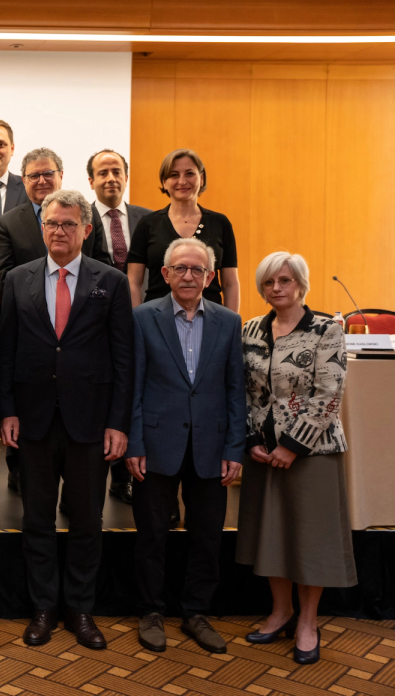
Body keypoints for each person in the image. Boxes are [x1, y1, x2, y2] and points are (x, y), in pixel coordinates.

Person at [0, 190, 133, 650]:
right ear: (42, 228)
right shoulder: (17, 279)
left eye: (69, 224)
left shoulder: (110, 281)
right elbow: (6, 351)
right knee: (36, 519)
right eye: (53, 223)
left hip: (90, 423)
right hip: (33, 420)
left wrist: (118, 423)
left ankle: (79, 608)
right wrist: (7, 410)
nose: (59, 231)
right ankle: (43, 608)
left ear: (87, 230)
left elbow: (123, 358)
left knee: (87, 521)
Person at [125, 238, 246, 655]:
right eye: (180, 268)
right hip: (155, 444)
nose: (189, 276)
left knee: (207, 537)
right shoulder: (142, 317)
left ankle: (196, 612)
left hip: (212, 446)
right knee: (152, 536)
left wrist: (234, 449)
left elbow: (235, 390)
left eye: (198, 269)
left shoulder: (229, 322)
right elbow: (133, 386)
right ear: (165, 274)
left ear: (210, 277)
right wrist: (134, 442)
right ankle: (150, 611)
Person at [237, 251, 353, 666]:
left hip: (312, 452)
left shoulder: (326, 329)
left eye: (284, 280)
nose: (276, 288)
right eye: (269, 282)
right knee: (273, 535)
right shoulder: (250, 329)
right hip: (263, 453)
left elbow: (329, 393)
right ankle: (281, 611)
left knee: (311, 539)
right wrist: (251, 439)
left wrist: (293, 445)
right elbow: (242, 390)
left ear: (301, 284)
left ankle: (307, 622)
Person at [0, 149, 113, 493]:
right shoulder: (10, 226)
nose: (59, 231)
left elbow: (101, 266)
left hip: (86, 397)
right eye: (34, 175)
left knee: (85, 509)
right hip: (34, 391)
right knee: (35, 508)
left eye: (49, 173)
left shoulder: (107, 274)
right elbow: (7, 345)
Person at [88, 149, 151, 506]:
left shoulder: (147, 219)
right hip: (95, 325)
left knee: (134, 390)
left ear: (126, 177)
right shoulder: (80, 220)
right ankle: (99, 477)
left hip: (140, 319)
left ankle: (125, 476)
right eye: (103, 172)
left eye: (117, 171)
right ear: (91, 181)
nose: (111, 178)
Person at [128, 149, 240, 312]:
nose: (182, 181)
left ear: (201, 178)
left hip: (211, 318)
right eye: (174, 175)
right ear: (164, 182)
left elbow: (230, 283)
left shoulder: (220, 223)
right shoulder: (147, 224)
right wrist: (138, 320)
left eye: (189, 174)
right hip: (157, 318)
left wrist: (232, 322)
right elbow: (133, 281)